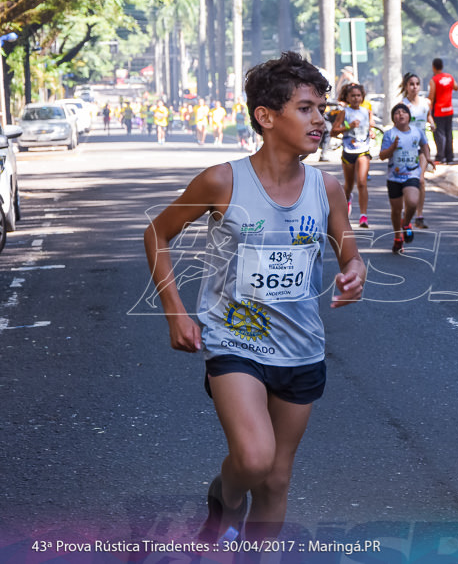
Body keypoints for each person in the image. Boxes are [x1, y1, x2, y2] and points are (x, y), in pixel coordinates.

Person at [142, 51, 366, 544]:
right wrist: (175, 314)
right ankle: (226, 496)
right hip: (234, 343)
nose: (321, 120)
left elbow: (346, 245)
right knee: (254, 459)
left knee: (278, 479)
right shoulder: (223, 181)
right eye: (306, 108)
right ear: (266, 117)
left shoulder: (326, 187)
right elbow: (157, 234)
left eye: (322, 109)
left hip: (302, 348)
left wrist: (355, 267)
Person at [379, 103, 432, 254]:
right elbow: (382, 156)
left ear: (409, 116)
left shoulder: (417, 132)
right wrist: (392, 147)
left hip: (412, 174)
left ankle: (406, 223)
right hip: (394, 177)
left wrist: (428, 158)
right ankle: (397, 237)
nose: (400, 114)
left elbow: (425, 144)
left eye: (404, 112)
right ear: (393, 118)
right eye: (397, 113)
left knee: (412, 202)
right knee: (396, 210)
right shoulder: (389, 134)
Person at [335, 83, 374, 228]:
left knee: (362, 182)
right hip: (348, 151)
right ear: (347, 97)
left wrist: (372, 132)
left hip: (363, 150)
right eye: (353, 96)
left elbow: (371, 125)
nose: (356, 98)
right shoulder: (344, 112)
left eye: (358, 95)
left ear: (362, 97)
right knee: (349, 185)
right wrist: (347, 127)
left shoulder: (366, 111)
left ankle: (363, 216)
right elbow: (333, 131)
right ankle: (347, 199)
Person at [400, 72, 433, 229]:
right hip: (407, 148)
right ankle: (408, 212)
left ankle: (419, 216)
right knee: (408, 181)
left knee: (420, 180)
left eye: (417, 84)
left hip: (422, 146)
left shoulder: (425, 103)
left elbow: (428, 117)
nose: (414, 87)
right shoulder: (403, 105)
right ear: (406, 86)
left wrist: (432, 124)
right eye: (411, 84)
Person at [428, 58, 458, 165]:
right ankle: (450, 157)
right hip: (449, 109)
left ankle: (440, 156)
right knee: (449, 133)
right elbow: (456, 87)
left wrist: (429, 105)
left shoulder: (434, 80)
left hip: (438, 111)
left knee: (439, 134)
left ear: (433, 67)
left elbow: (431, 95)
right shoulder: (449, 77)